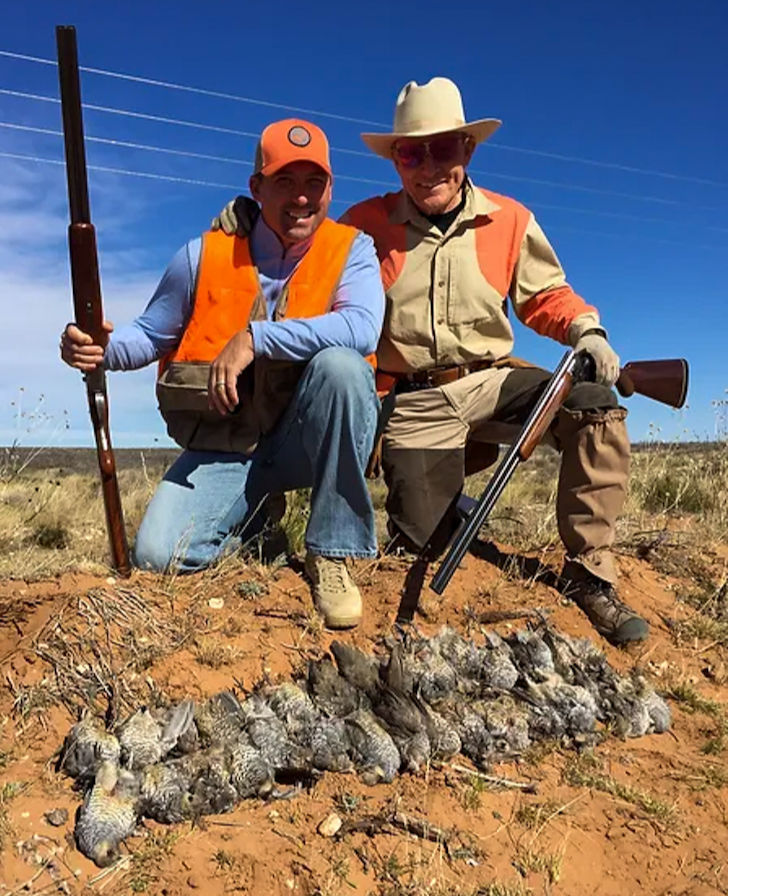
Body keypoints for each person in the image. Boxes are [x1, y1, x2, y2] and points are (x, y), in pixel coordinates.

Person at [213, 79, 646, 645]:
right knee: (421, 541)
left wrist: (586, 331)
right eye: (412, 152)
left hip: (495, 380)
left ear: (467, 150)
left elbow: (546, 297)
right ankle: (451, 513)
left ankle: (591, 574)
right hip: (414, 402)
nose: (428, 166)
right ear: (396, 159)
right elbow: (300, 242)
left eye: (443, 149)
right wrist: (254, 217)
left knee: (594, 405)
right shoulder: (362, 225)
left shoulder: (510, 219)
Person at [60, 119, 385, 630]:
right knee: (157, 556)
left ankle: (332, 552)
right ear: (256, 187)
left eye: (313, 184)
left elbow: (363, 328)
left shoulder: (354, 251)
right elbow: (149, 336)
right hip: (228, 445)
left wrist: (257, 338)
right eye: (284, 182)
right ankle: (256, 529)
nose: (301, 199)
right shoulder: (200, 255)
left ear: (330, 189)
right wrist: (98, 350)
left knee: (343, 367)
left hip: (305, 444)